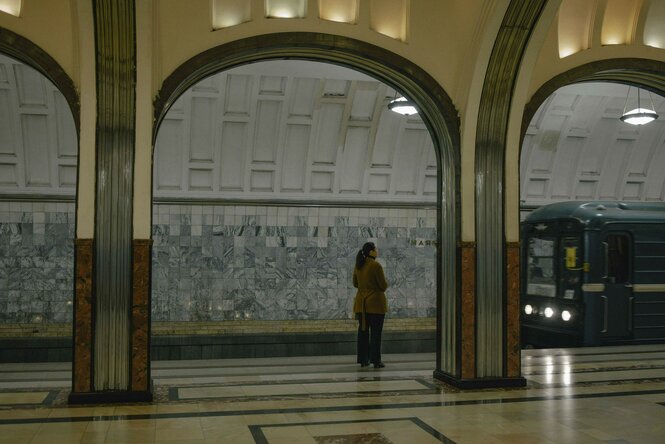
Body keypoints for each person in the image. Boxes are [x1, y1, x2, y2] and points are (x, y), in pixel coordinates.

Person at [353, 242, 388, 369]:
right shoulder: (376, 266)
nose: (377, 251)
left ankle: (363, 359)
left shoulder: (358, 265)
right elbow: (383, 286)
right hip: (376, 305)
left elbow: (355, 283)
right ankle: (376, 361)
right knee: (376, 334)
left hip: (361, 304)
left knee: (363, 332)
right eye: (375, 249)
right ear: (371, 252)